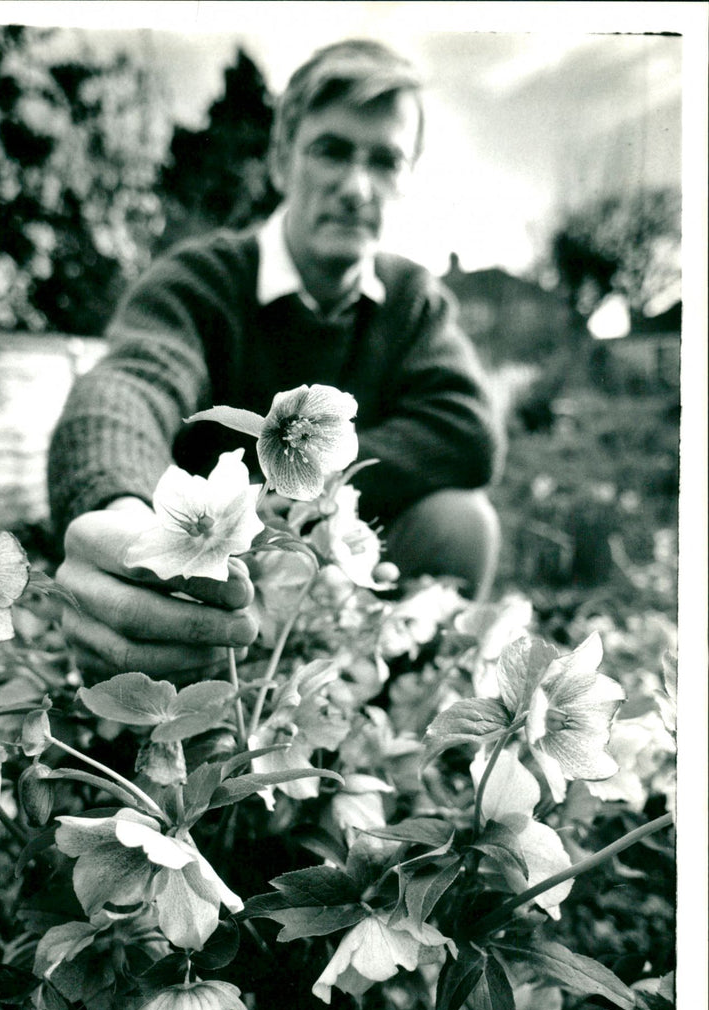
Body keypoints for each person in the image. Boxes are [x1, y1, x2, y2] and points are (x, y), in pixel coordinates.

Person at [47, 38, 504, 685]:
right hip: (208, 574)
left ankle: (378, 714)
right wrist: (120, 508)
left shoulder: (412, 302)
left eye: (385, 160)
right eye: (331, 149)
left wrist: (299, 498)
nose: (355, 187)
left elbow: (466, 429)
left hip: (336, 571)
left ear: (406, 179)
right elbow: (130, 384)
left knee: (463, 523)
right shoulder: (201, 279)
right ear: (281, 160)